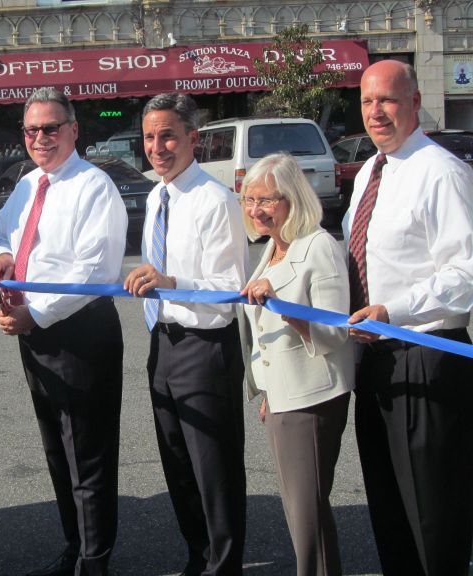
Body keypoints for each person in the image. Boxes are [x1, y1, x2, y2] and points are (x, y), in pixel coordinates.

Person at [0, 87, 127, 576]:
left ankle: (94, 561)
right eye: (31, 130)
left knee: (87, 456)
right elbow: (4, 232)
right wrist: (1, 256)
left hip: (80, 332)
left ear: (73, 130)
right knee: (57, 452)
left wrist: (35, 314)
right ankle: (75, 547)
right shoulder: (29, 184)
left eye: (50, 128)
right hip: (36, 335)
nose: (40, 138)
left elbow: (95, 270)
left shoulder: (94, 185)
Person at [345, 59, 473, 576]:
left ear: (415, 102)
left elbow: (466, 270)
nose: (376, 112)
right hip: (374, 359)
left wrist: (393, 310)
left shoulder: (441, 172)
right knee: (390, 507)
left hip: (425, 355)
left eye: (388, 100)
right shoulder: (371, 172)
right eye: (368, 102)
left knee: (433, 514)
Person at [123, 92, 248, 576]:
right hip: (163, 342)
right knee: (178, 463)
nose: (157, 146)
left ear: (193, 138)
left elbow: (229, 289)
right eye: (150, 137)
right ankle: (199, 557)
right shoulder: (158, 194)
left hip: (205, 346)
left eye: (168, 135)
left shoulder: (216, 200)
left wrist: (170, 282)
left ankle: (224, 564)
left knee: (213, 469)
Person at [238, 154, 354, 576]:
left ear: (293, 198)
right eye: (249, 200)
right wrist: (266, 389)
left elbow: (334, 331)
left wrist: (286, 307)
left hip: (312, 398)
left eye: (266, 200)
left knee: (306, 515)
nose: (255, 210)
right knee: (300, 512)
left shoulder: (318, 246)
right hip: (281, 398)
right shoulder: (272, 246)